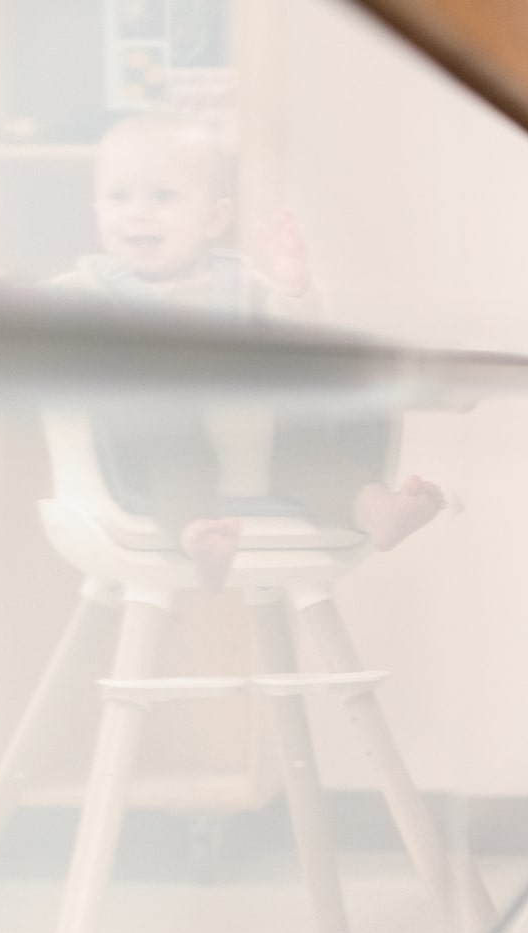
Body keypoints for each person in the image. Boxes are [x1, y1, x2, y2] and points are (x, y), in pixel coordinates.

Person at [51, 112, 444, 588]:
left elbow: (295, 337)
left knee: (317, 459)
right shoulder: (88, 289)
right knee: (176, 469)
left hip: (268, 443)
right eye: (119, 196)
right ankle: (201, 536)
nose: (138, 212)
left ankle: (376, 509)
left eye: (163, 196)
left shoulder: (238, 283)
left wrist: (292, 288)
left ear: (214, 218)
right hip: (172, 446)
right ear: (96, 209)